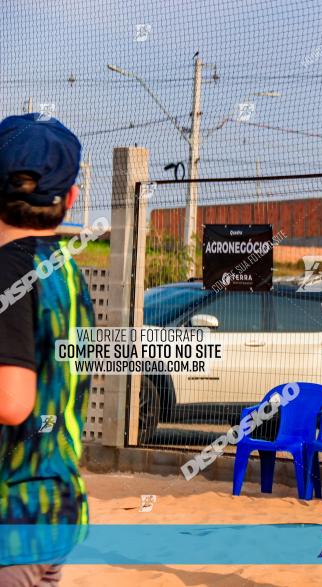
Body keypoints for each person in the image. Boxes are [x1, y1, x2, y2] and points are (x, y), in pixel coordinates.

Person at [0, 113, 95, 585]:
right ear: (70, 198)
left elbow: (13, 401)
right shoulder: (68, 273)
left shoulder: (8, 270)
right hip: (56, 506)